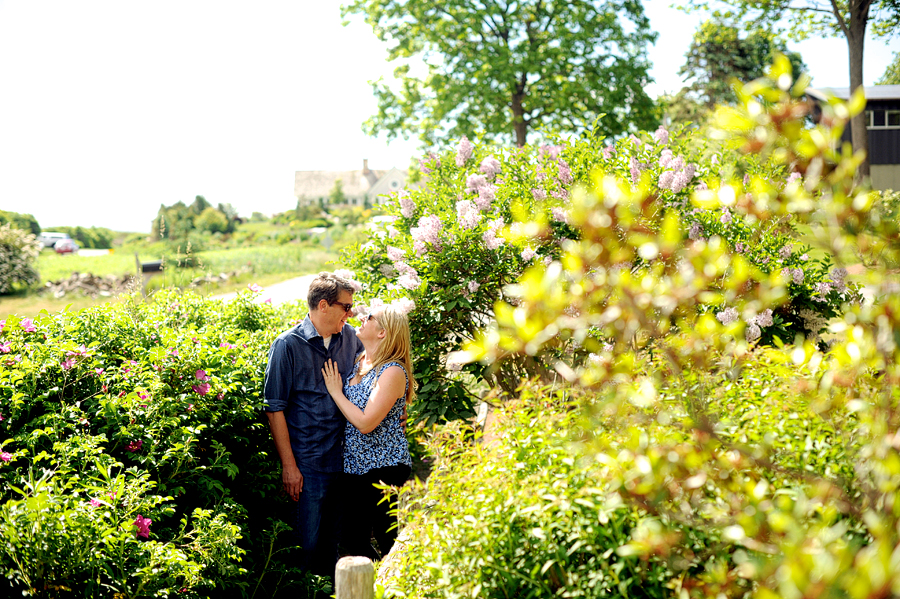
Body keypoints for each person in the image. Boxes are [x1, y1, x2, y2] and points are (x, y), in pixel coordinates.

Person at [263, 272, 362, 577]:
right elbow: (274, 408)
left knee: (332, 551)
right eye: (346, 307)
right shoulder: (287, 345)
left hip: (344, 463)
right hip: (307, 466)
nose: (351, 313)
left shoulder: (352, 339)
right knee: (303, 549)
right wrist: (289, 466)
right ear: (323, 305)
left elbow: (374, 380)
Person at [321, 305, 415, 561]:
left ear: (383, 332)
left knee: (389, 540)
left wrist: (336, 391)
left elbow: (365, 423)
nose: (363, 317)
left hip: (384, 466)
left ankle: (402, 586)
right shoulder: (360, 361)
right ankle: (376, 584)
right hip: (354, 466)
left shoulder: (393, 371)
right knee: (352, 539)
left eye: (370, 317)